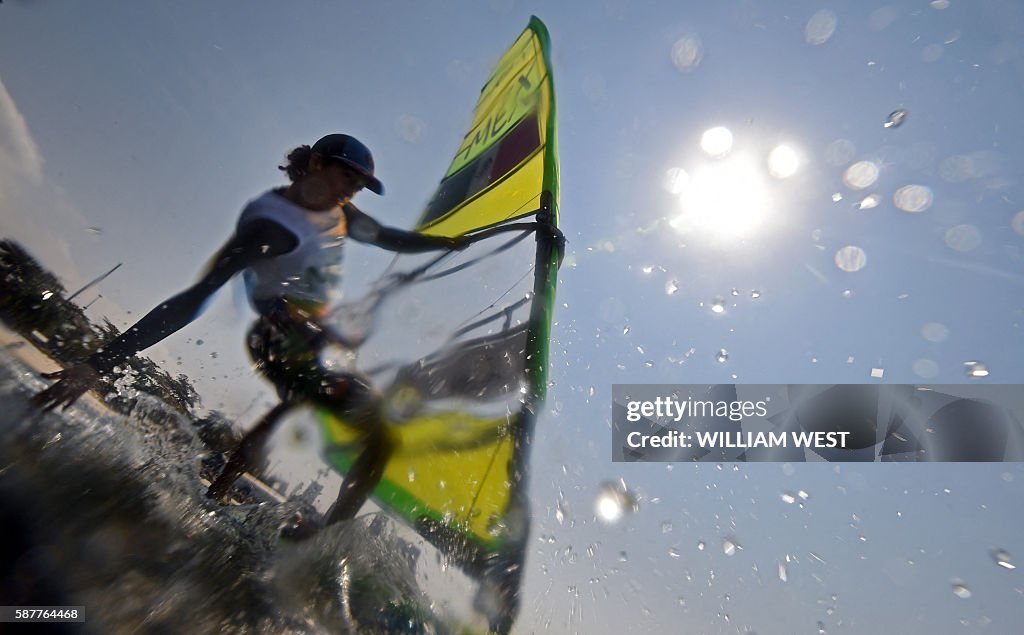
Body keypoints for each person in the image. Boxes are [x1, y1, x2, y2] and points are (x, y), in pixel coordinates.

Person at [32, 133, 465, 524]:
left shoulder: (342, 213)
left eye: (358, 186)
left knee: (303, 401)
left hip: (309, 338)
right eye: (346, 178)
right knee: (380, 434)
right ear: (316, 164)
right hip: (276, 338)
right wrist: (96, 365)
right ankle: (325, 537)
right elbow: (194, 298)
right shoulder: (272, 227)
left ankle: (216, 495)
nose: (351, 192)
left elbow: (389, 237)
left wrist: (452, 241)